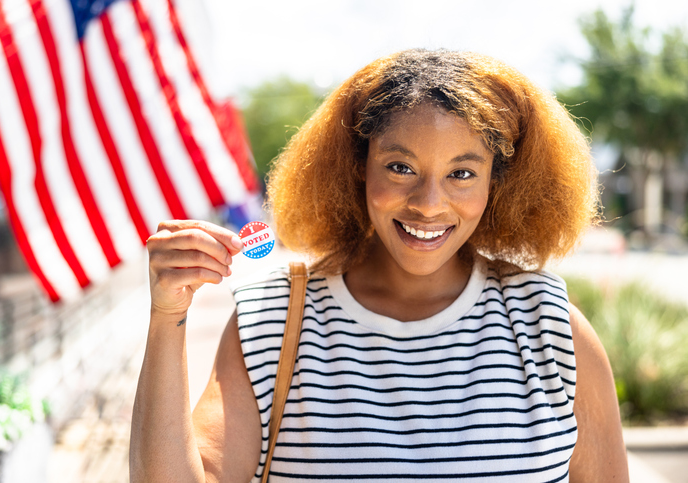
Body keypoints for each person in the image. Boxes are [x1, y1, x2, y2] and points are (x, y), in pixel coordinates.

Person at [130, 49, 629, 482]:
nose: (429, 204)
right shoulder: (275, 320)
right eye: (401, 167)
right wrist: (166, 318)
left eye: (461, 173)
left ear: (495, 183)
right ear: (356, 168)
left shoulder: (548, 324)